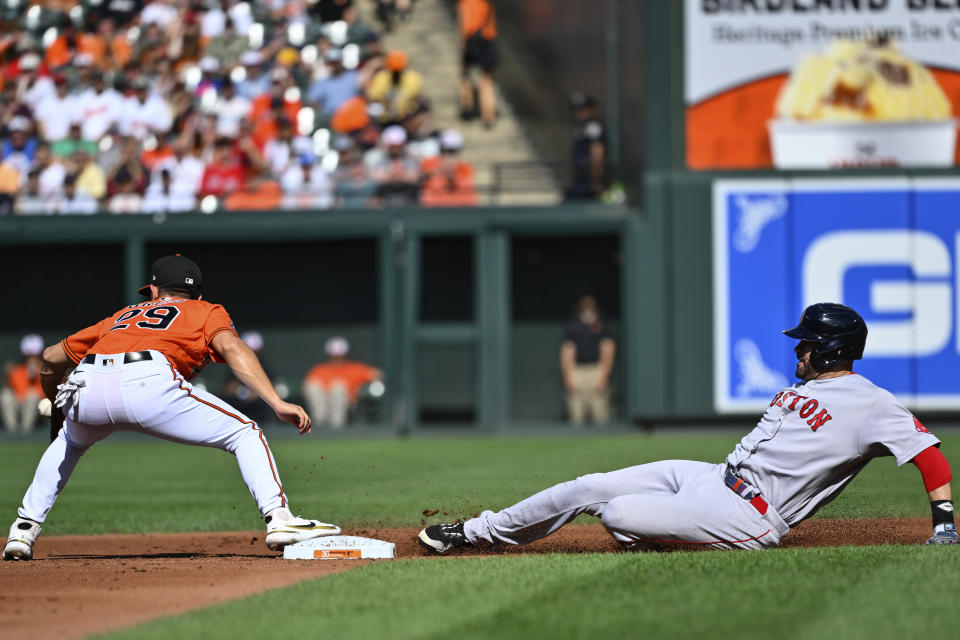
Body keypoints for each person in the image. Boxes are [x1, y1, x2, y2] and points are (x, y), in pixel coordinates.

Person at [419, 303, 959, 554]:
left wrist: (943, 523)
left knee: (616, 514)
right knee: (587, 486)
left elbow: (930, 456)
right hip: (714, 478)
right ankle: (473, 533)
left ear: (832, 350)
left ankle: (662, 536)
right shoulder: (808, 388)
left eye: (807, 343)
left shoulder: (871, 403)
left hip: (752, 516)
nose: (799, 349)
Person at [2, 255, 340, 561]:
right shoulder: (206, 310)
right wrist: (276, 401)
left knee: (69, 442)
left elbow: (49, 358)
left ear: (152, 289)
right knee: (245, 432)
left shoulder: (122, 315)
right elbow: (232, 348)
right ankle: (279, 518)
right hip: (148, 379)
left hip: (87, 381)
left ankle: (22, 531)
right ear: (198, 294)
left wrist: (55, 401)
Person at [302, 337, 381, 430]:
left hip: (346, 405)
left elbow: (377, 374)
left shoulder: (354, 368)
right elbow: (307, 386)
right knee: (313, 387)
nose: (337, 359)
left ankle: (337, 429)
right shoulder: (319, 370)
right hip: (323, 404)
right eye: (334, 356)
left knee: (338, 388)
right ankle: (319, 424)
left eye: (340, 356)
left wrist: (359, 388)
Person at [560, 295, 615, 426]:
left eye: (590, 305)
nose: (588, 308)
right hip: (577, 370)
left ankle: (603, 441)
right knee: (576, 409)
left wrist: (604, 375)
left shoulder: (602, 325)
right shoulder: (573, 326)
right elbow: (567, 351)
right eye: (585, 305)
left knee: (600, 409)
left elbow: (608, 350)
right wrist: (568, 375)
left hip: (596, 369)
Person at [457, 0, 497, 128]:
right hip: (488, 42)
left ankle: (467, 109)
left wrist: (461, 44)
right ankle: (488, 116)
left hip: (472, 42)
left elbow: (466, 26)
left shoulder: (467, 3)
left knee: (465, 76)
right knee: (486, 80)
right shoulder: (487, 3)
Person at [565, 93, 607, 201]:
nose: (579, 113)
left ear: (590, 110)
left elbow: (597, 152)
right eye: (577, 110)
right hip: (580, 176)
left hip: (589, 178)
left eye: (583, 110)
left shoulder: (593, 126)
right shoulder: (580, 127)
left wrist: (596, 180)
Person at [1, 335, 45, 434]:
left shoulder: (46, 369)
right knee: (5, 395)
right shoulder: (18, 370)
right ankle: (12, 433)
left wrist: (37, 373)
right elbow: (8, 388)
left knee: (32, 395)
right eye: (29, 356)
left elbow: (45, 394)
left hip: (37, 409)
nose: (32, 358)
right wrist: (7, 375)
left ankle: (26, 433)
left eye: (35, 356)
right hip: (19, 403)